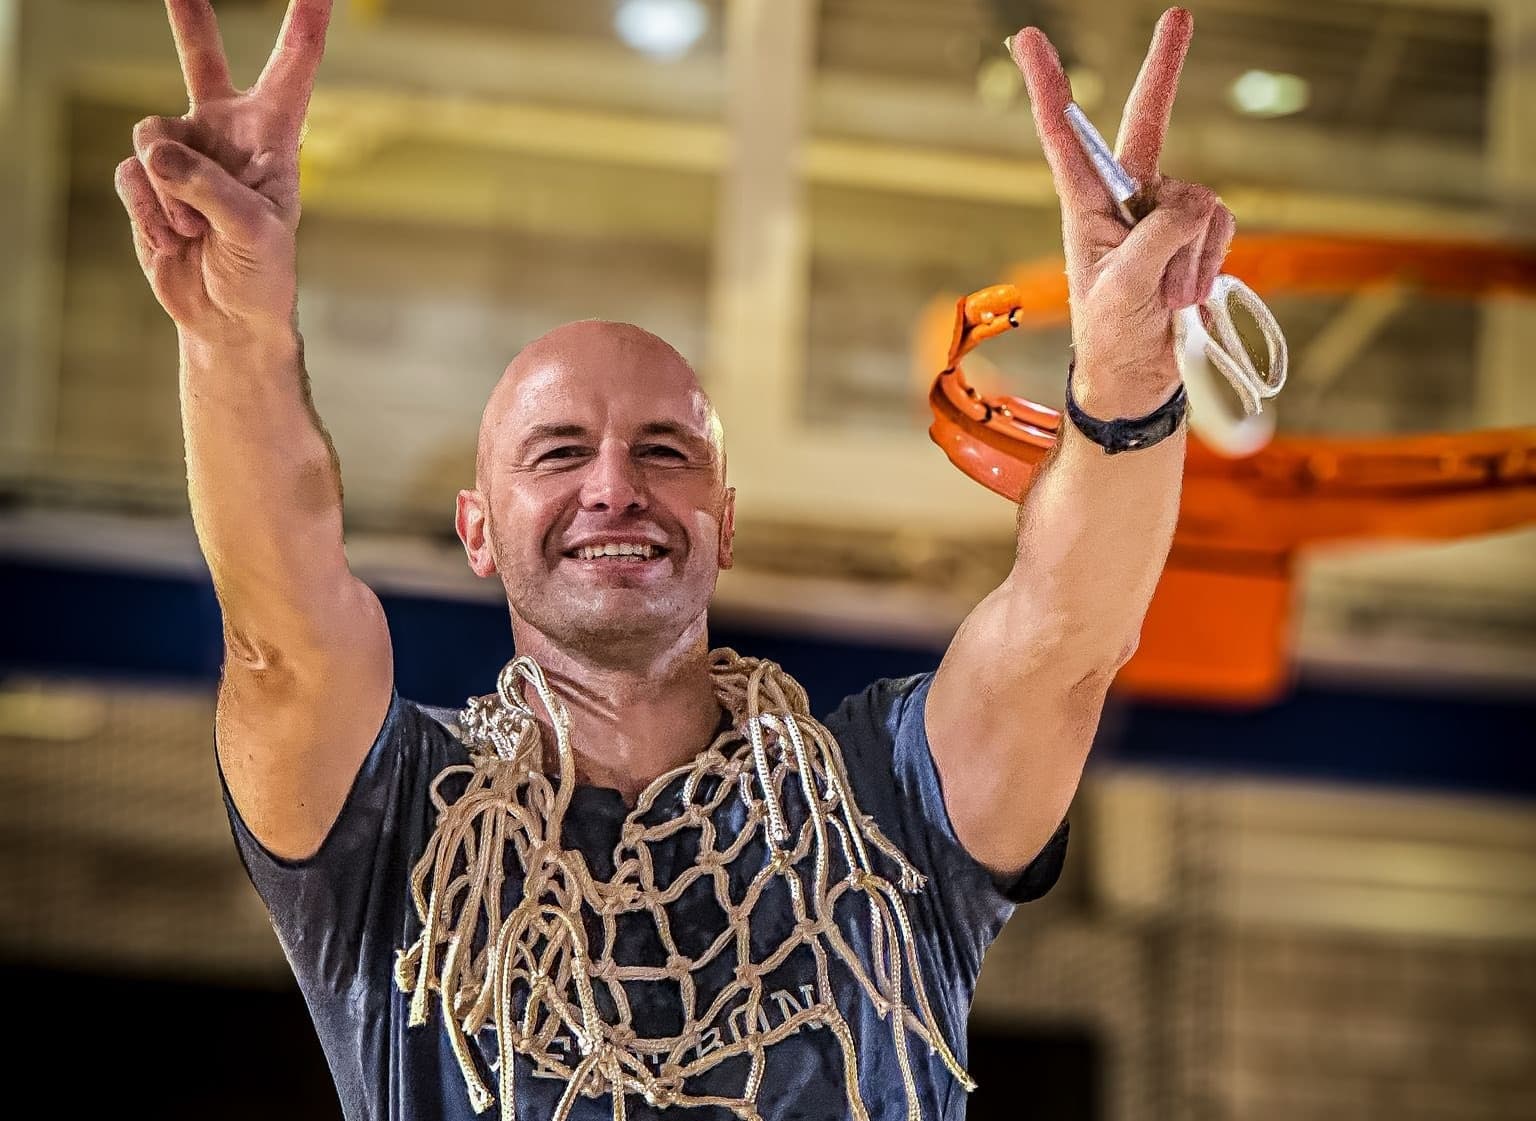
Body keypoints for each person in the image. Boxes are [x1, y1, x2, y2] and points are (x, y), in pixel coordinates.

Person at [116, 3, 1231, 1118]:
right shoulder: (400, 821)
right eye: (557, 453)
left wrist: (1128, 372)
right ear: (476, 530)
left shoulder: (879, 801)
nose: (614, 485)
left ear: (725, 523)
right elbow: (281, 642)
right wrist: (236, 335)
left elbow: (1067, 640)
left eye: (664, 449)